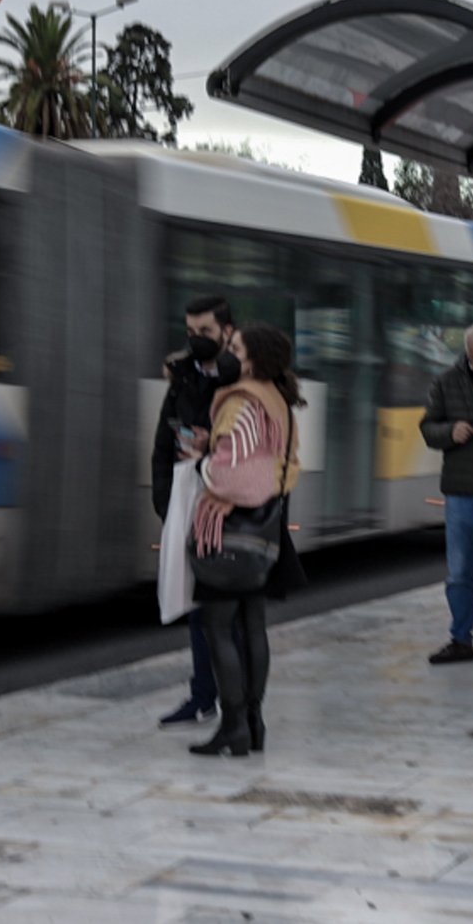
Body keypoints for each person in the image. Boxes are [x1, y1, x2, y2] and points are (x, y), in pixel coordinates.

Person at [187, 324, 306, 757]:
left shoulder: (242, 401)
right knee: (252, 623)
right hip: (264, 534)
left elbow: (237, 475)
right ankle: (254, 724)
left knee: (217, 627)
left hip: (230, 532)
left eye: (235, 348)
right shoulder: (279, 401)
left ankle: (233, 726)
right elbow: (276, 466)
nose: (227, 352)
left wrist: (203, 463)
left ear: (252, 360)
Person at [152, 295, 234, 729]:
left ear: (227, 331)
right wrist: (166, 503)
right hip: (189, 501)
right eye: (190, 332)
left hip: (229, 504)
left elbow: (256, 446)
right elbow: (163, 445)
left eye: (205, 331)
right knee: (196, 605)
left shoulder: (244, 380)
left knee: (230, 611)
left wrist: (212, 444)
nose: (196, 339)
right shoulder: (182, 378)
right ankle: (203, 695)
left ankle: (238, 704)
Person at [418, 324, 473, 665]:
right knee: (458, 572)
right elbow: (428, 428)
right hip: (459, 491)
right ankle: (460, 639)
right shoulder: (446, 381)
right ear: (466, 355)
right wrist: (449, 432)